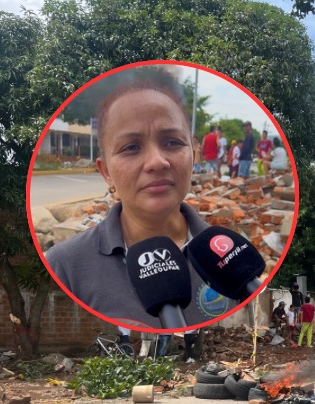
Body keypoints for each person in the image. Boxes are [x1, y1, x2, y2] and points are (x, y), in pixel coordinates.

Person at [44, 75, 237, 328]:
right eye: (131, 147)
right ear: (105, 172)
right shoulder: (65, 266)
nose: (157, 162)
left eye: (172, 142)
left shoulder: (230, 253)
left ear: (193, 155)